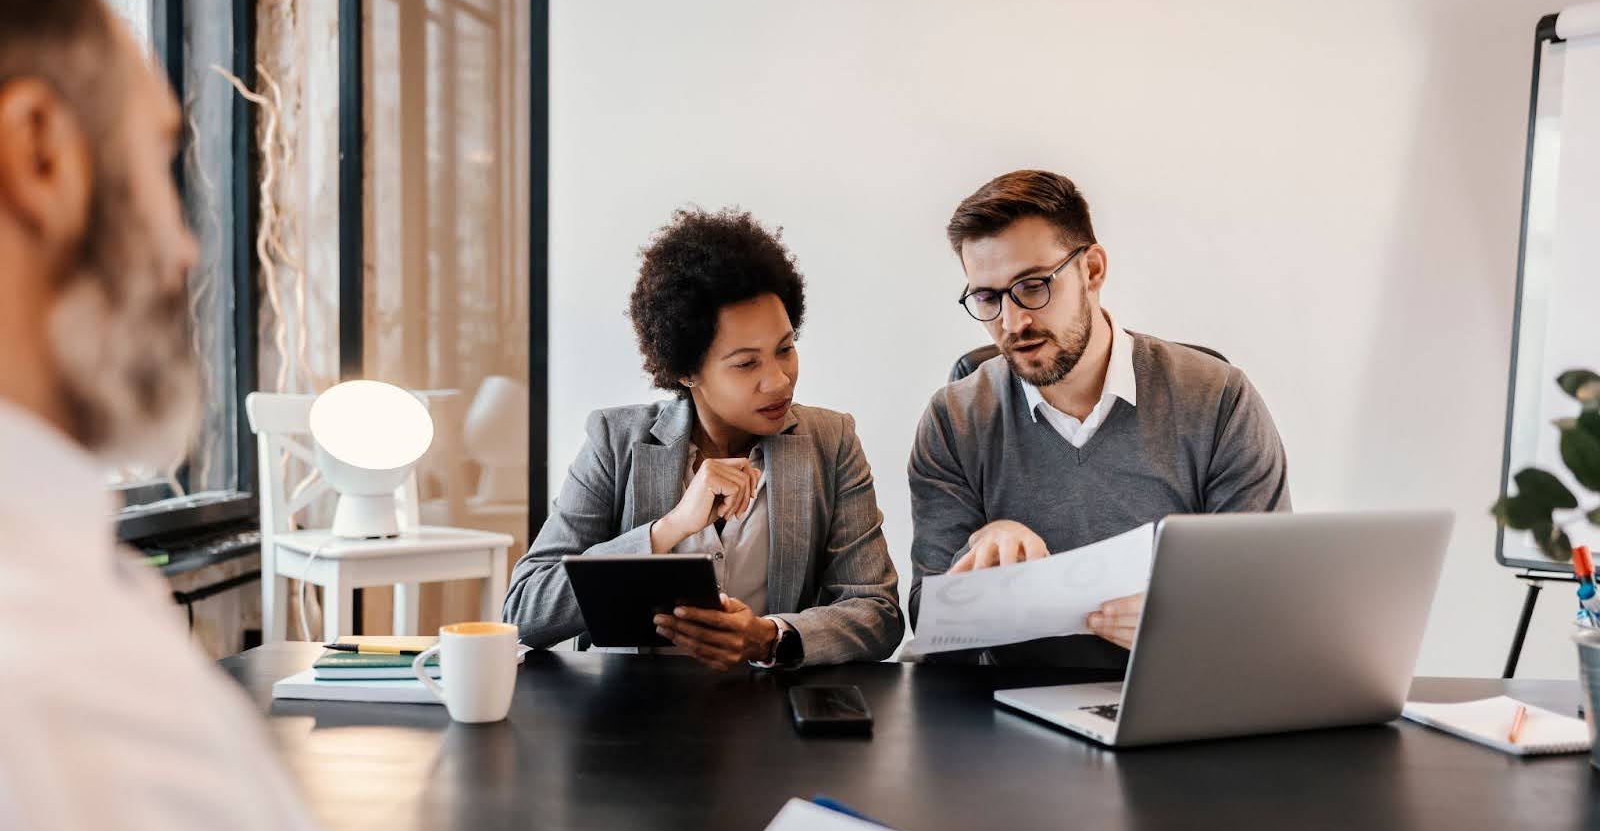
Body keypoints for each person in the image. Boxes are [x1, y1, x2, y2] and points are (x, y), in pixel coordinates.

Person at [0, 0, 381, 831]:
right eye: (161, 161)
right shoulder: (57, 706)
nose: (181, 249)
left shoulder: (71, 590)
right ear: (39, 155)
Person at [909, 169, 1290, 668]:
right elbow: (930, 622)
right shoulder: (954, 419)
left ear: (1092, 270)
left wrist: (1184, 623)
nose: (1012, 321)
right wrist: (984, 553)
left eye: (1032, 286)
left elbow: (1265, 598)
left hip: (1170, 694)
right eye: (987, 297)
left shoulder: (1217, 399)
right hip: (1006, 708)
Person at [504, 207, 904, 669]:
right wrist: (668, 528)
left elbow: (879, 613)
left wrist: (768, 638)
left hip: (769, 713)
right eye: (745, 363)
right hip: (628, 715)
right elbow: (524, 613)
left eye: (785, 349)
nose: (778, 381)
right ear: (685, 370)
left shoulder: (830, 442)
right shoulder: (616, 441)